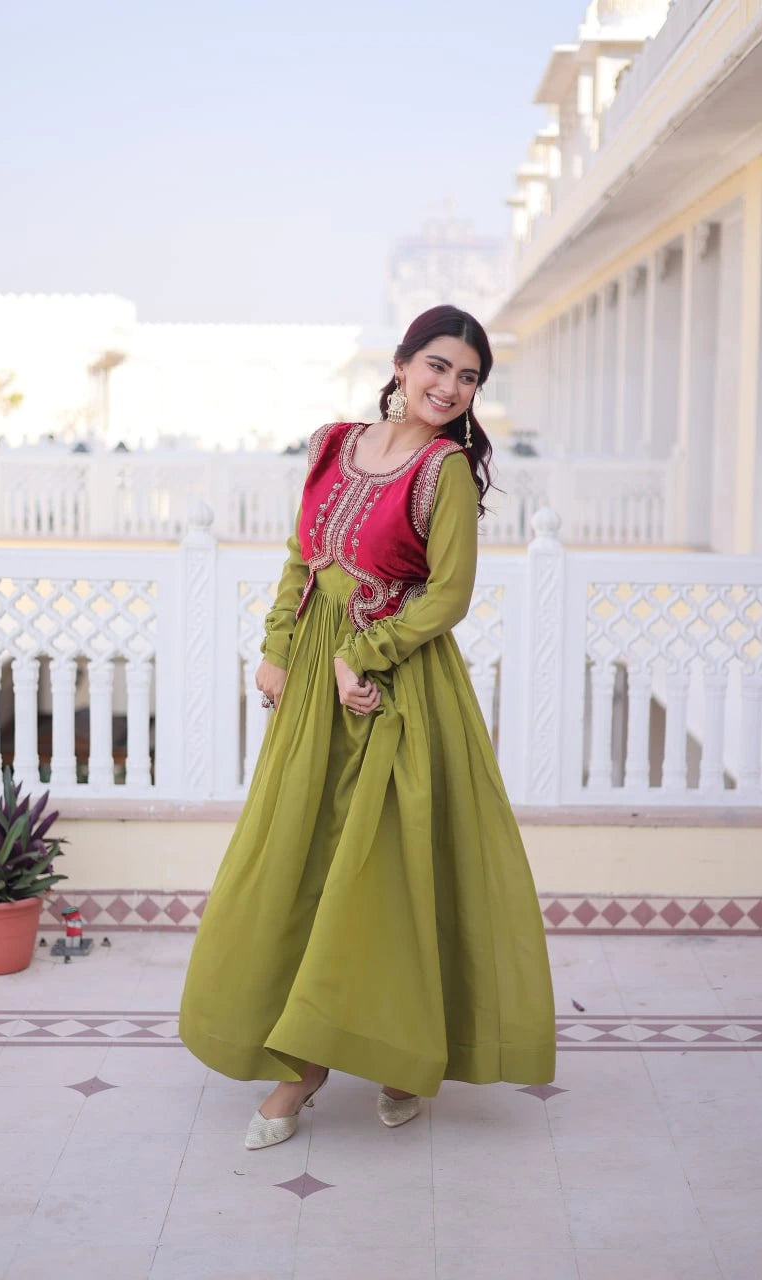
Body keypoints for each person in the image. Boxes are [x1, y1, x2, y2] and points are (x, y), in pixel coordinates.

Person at [179, 305, 556, 1150]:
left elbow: (448, 595)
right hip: (316, 673)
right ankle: (299, 1063)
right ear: (399, 363)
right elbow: (299, 556)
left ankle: (394, 1053)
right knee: (303, 857)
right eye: (436, 365)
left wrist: (368, 653)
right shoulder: (332, 444)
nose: (448, 386)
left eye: (467, 378)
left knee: (385, 869)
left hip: (394, 685)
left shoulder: (446, 469)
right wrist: (279, 646)